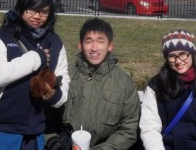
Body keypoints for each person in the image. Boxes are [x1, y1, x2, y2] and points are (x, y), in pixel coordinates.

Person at [0, 0, 69, 150]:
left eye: (43, 12)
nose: (37, 16)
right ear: (20, 8)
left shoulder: (55, 42)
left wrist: (55, 96)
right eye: (31, 9)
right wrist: (36, 58)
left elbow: (64, 79)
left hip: (35, 132)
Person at [48, 18, 140, 150]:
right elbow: (47, 116)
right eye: (89, 41)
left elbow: (128, 129)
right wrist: (53, 141)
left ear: (110, 46)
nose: (94, 48)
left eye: (100, 41)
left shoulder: (125, 84)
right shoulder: (66, 76)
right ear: (80, 45)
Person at [139, 30, 196, 149]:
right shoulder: (156, 86)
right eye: (172, 56)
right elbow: (150, 128)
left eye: (183, 54)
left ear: (192, 54)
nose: (178, 61)